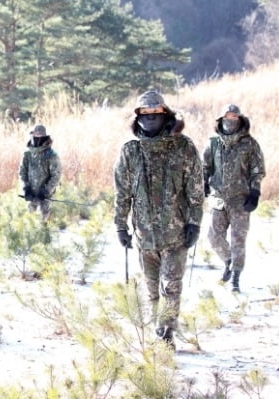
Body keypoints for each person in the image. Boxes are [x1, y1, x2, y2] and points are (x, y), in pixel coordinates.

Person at [113, 90, 204, 349]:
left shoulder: (183, 147)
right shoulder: (130, 151)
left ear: (166, 115)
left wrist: (194, 222)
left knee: (170, 288)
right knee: (152, 291)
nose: (150, 118)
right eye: (145, 113)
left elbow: (195, 189)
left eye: (156, 113)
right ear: (138, 116)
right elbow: (123, 192)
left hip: (176, 236)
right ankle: (157, 330)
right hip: (144, 237)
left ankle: (166, 335)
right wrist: (120, 225)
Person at [203, 104, 265, 293]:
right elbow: (206, 166)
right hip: (219, 199)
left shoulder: (250, 143)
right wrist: (204, 182)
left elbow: (257, 170)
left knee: (238, 239)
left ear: (240, 119)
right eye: (228, 116)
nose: (231, 119)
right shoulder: (213, 143)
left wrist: (255, 192)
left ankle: (236, 277)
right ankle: (228, 261)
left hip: (241, 199)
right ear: (221, 119)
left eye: (235, 116)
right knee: (214, 237)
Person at [19, 124, 62, 221]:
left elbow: (56, 175)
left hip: (44, 197)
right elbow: (22, 172)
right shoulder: (27, 154)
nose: (36, 137)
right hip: (31, 195)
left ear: (43, 137)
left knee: (42, 224)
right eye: (34, 135)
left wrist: (46, 191)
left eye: (39, 135)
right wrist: (26, 188)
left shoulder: (51, 155)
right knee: (30, 222)